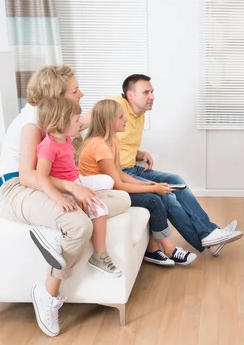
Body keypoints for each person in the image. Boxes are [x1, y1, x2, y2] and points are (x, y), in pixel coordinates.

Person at [0, 65, 131, 337]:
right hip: (19, 188)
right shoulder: (33, 123)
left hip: (43, 183)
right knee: (81, 225)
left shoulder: (60, 120)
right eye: (75, 90)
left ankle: (53, 232)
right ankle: (47, 292)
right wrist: (71, 188)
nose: (81, 93)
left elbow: (87, 122)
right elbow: (27, 175)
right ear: (56, 96)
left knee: (121, 199)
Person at [106, 74, 243, 257]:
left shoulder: (140, 115)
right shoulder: (116, 104)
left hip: (135, 168)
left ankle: (210, 237)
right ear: (130, 95)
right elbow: (96, 121)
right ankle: (208, 235)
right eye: (146, 92)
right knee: (168, 197)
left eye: (152, 92)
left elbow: (121, 145)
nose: (152, 96)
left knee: (176, 180)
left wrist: (141, 153)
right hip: (121, 173)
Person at [78, 99, 197, 266]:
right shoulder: (99, 146)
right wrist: (153, 188)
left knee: (156, 193)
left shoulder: (112, 141)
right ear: (108, 121)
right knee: (154, 199)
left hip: (112, 187)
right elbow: (118, 184)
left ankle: (153, 249)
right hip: (101, 194)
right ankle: (167, 248)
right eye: (120, 117)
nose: (125, 120)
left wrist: (147, 184)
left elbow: (119, 173)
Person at [36, 96, 121, 278]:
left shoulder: (66, 137)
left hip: (78, 180)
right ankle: (100, 255)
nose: (80, 123)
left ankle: (87, 200)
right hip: (67, 189)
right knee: (100, 209)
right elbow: (41, 177)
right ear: (62, 123)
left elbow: (87, 122)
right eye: (76, 120)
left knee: (108, 181)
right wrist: (59, 199)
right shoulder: (48, 147)